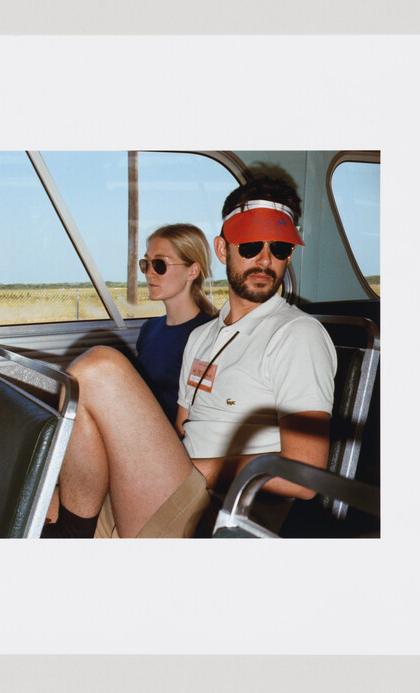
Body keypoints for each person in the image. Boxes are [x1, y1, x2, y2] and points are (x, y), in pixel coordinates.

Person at [42, 174, 337, 539]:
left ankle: (78, 533)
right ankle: (79, 529)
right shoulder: (201, 337)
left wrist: (191, 471)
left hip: (216, 506)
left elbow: (303, 475)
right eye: (249, 247)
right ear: (222, 248)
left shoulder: (297, 334)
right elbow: (181, 432)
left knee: (99, 367)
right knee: (40, 501)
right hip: (172, 487)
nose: (265, 260)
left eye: (279, 248)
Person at [135, 224, 217, 423]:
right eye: (146, 264)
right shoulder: (149, 330)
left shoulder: (209, 336)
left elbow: (201, 412)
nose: (148, 273)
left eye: (160, 264)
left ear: (192, 271)